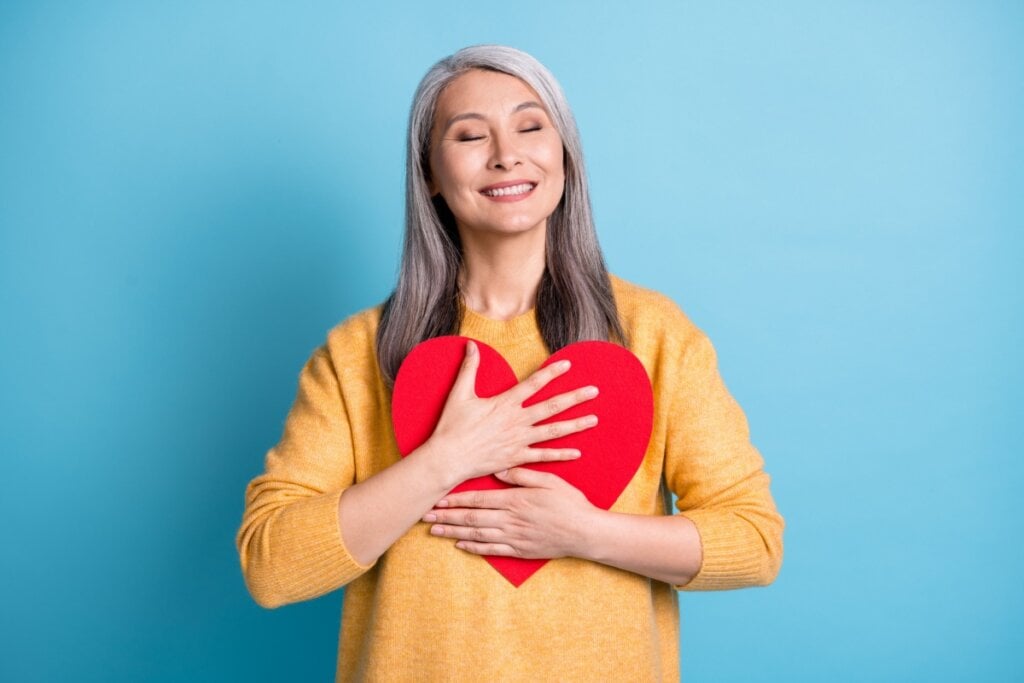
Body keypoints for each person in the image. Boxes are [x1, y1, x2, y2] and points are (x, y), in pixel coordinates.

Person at [236, 44, 784, 682]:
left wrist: (583, 533)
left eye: (530, 126)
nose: (506, 154)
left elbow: (753, 541)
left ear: (565, 156)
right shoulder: (359, 352)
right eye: (470, 135)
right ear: (430, 174)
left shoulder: (654, 334)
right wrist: (448, 459)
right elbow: (271, 567)